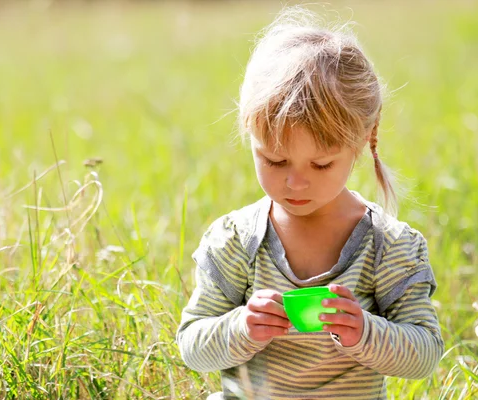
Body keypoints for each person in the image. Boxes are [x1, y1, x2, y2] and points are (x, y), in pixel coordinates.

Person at [175, 6, 444, 400]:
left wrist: (365, 332)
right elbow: (192, 346)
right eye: (274, 160)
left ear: (361, 142)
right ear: (250, 135)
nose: (295, 182)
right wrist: (241, 328)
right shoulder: (235, 241)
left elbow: (424, 355)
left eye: (321, 164)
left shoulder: (387, 246)